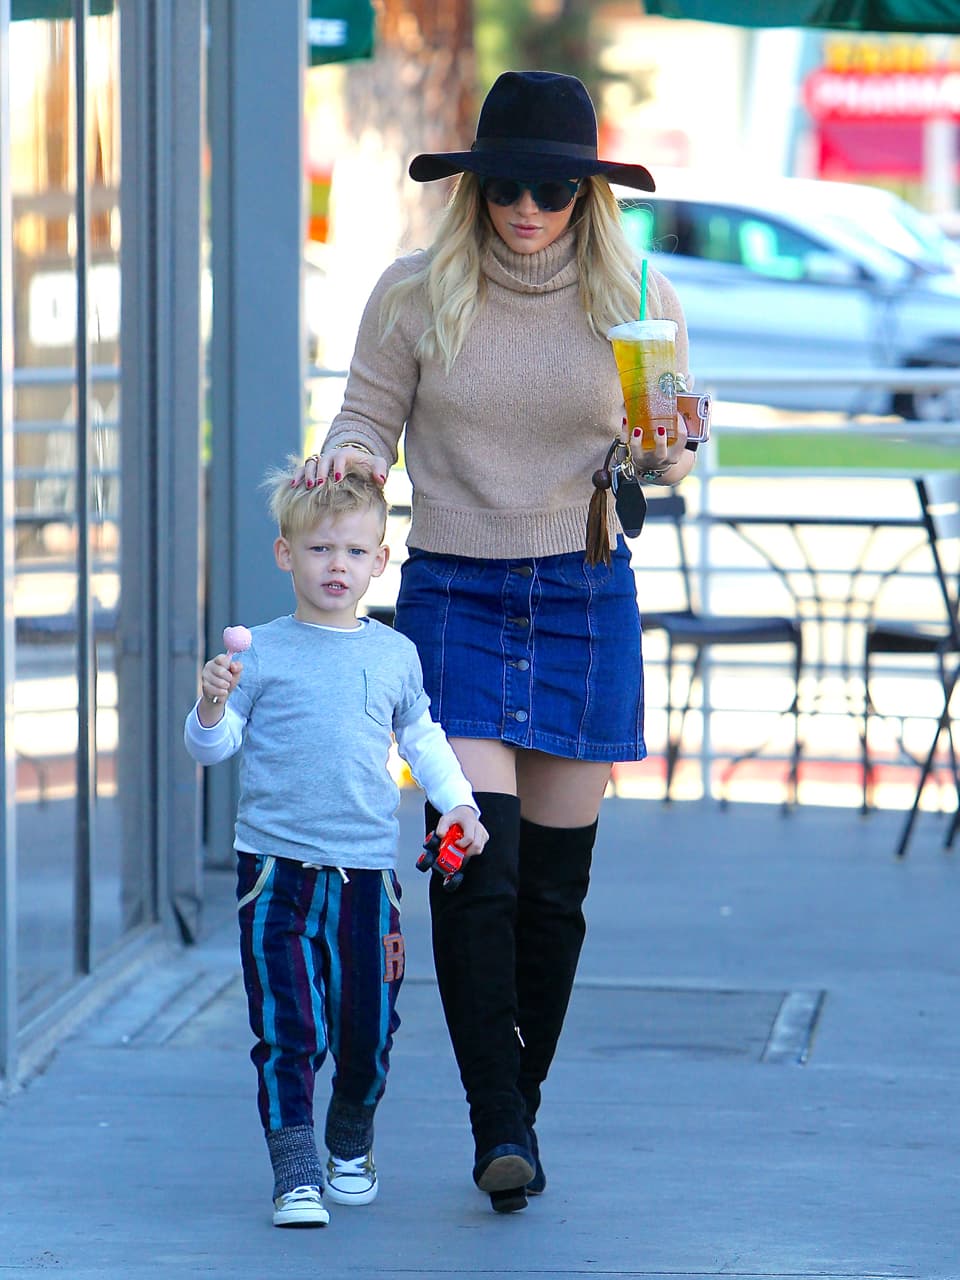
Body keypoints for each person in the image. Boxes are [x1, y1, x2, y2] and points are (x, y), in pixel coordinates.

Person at [300, 69, 697, 1214]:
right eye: (507, 186)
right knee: (479, 871)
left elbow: (663, 449)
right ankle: (499, 1128)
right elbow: (367, 413)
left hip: (582, 592)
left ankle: (515, 1101)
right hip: (456, 596)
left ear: (588, 198)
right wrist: (356, 460)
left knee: (553, 897)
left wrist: (672, 445)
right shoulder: (417, 293)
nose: (527, 208)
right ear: (473, 189)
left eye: (553, 190)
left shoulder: (637, 294)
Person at [183, 463, 487, 1228]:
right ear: (287, 554)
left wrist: (460, 805)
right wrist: (211, 702)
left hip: (365, 875)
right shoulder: (260, 653)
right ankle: (295, 1171)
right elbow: (211, 751)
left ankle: (349, 1136)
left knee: (368, 1026)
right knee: (288, 1026)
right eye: (320, 551)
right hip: (274, 872)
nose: (337, 567)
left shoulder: (392, 655)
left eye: (354, 552)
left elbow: (422, 735)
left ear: (380, 561)